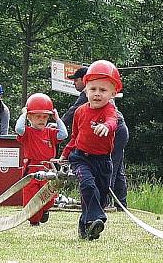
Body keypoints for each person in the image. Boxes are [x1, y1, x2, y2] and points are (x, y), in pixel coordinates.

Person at [60, 60, 122, 240]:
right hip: (81, 158)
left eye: (103, 90)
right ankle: (97, 218)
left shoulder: (110, 109)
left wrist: (107, 127)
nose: (97, 94)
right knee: (87, 186)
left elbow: (112, 121)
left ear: (113, 93)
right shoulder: (80, 112)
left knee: (100, 195)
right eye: (93, 89)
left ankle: (86, 226)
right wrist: (65, 155)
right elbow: (74, 137)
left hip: (103, 160)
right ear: (85, 89)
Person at [15, 93, 68, 226]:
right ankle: (34, 221)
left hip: (48, 170)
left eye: (45, 116)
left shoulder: (50, 132)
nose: (41, 119)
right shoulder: (27, 132)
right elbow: (18, 129)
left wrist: (57, 118)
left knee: (49, 197)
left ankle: (44, 210)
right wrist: (24, 113)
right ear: (30, 117)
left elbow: (64, 134)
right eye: (37, 116)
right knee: (31, 198)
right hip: (32, 171)